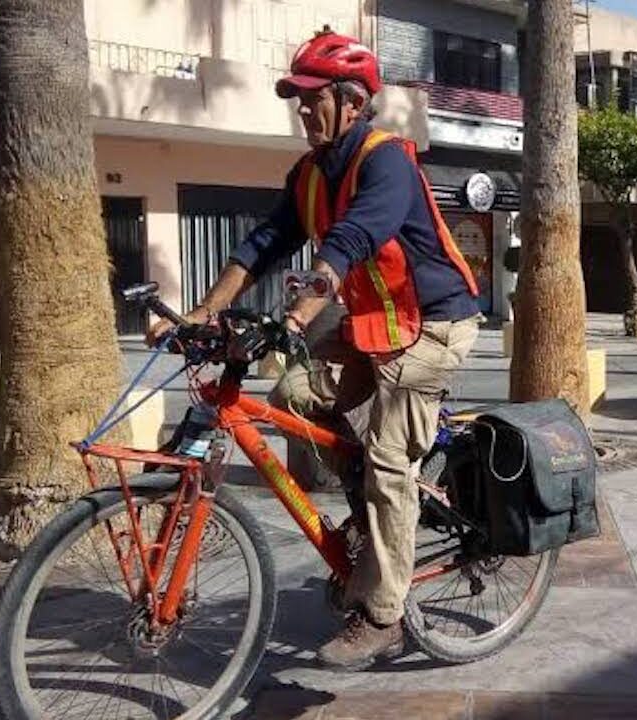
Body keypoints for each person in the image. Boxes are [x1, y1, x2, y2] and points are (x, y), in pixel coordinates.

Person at [147, 27, 482, 671]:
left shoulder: (386, 160)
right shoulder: (308, 174)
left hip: (434, 322)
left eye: (313, 97)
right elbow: (264, 244)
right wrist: (203, 312)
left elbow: (356, 236)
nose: (302, 110)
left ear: (352, 103)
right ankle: (368, 511)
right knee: (294, 395)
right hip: (369, 321)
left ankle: (382, 613)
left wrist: (299, 313)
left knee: (387, 455)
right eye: (296, 99)